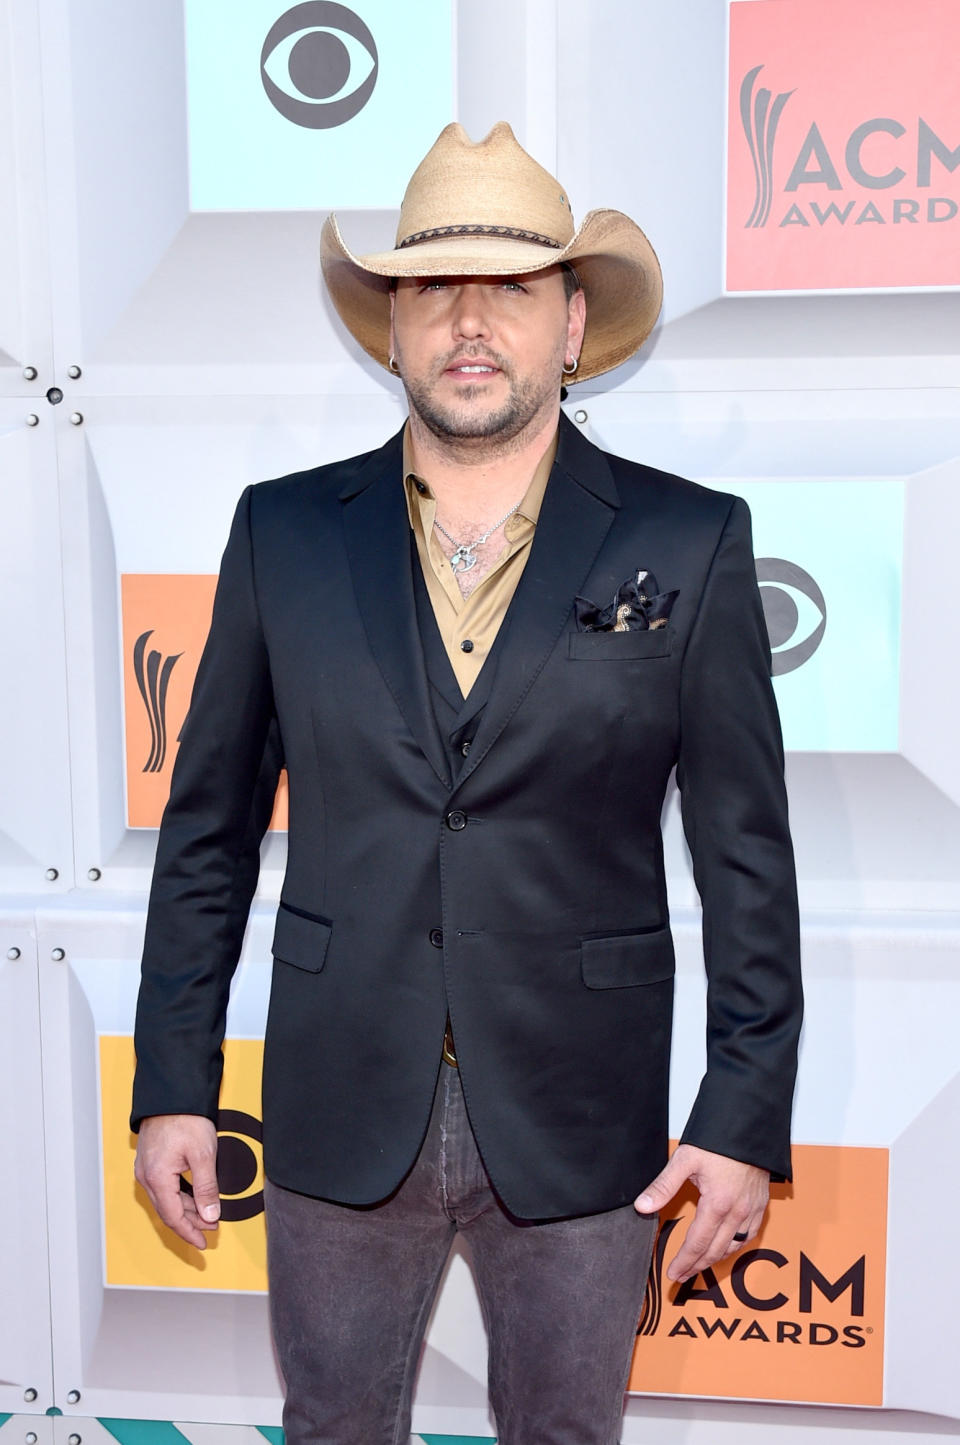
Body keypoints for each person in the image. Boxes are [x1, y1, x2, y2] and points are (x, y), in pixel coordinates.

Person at [131, 121, 802, 1445]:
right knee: (332, 1428)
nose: (471, 321)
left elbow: (746, 861)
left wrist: (740, 1117)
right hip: (337, 1093)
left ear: (572, 323)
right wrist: (171, 1082)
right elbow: (207, 828)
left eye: (512, 285)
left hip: (583, 1110)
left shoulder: (691, 538)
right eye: (436, 288)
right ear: (390, 326)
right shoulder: (282, 532)